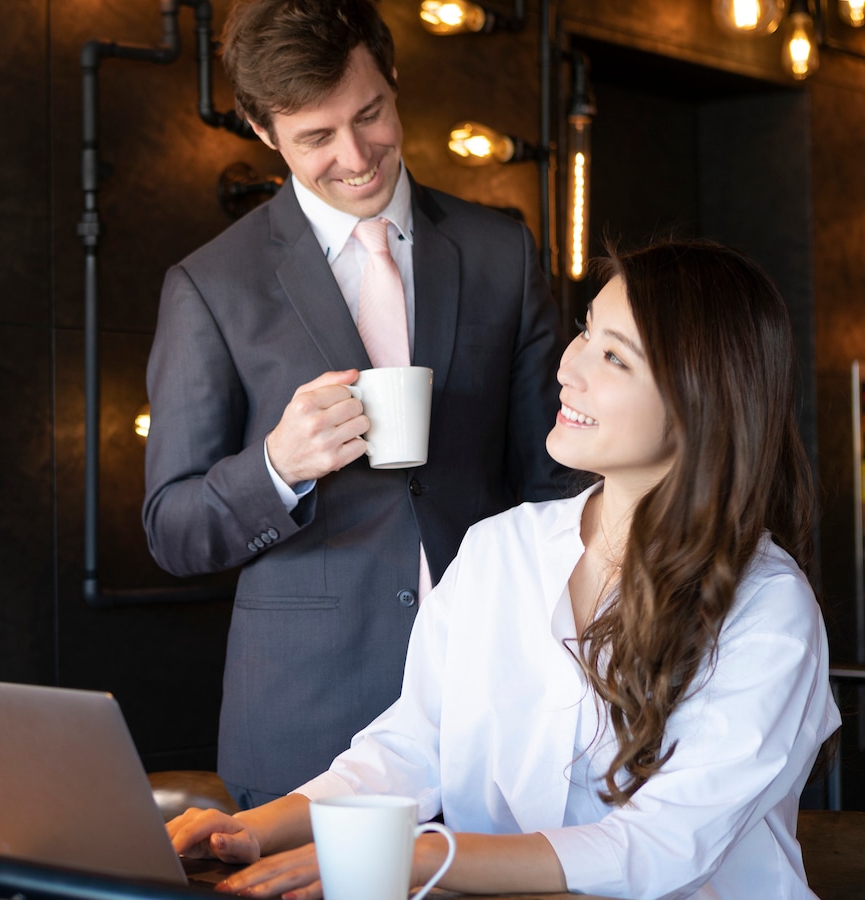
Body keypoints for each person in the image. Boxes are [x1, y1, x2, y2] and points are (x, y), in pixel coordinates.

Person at [166, 239, 843, 899]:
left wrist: (428, 855)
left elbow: (661, 845)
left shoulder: (765, 604)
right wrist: (255, 828)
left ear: (703, 400)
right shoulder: (501, 547)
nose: (567, 368)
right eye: (584, 332)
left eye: (613, 357)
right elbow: (411, 747)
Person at [142, 0, 568, 809]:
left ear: (393, 78)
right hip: (306, 713)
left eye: (369, 114)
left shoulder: (499, 251)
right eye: (314, 138)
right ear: (264, 133)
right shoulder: (210, 285)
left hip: (494, 702)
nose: (355, 156)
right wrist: (276, 468)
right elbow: (171, 527)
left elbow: (554, 480)